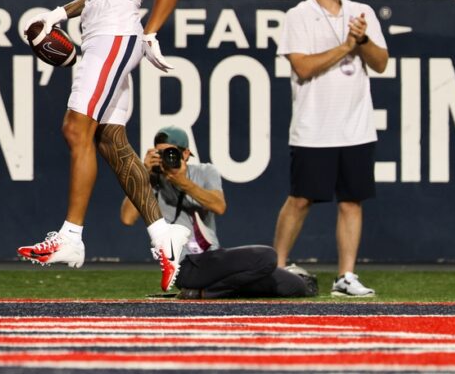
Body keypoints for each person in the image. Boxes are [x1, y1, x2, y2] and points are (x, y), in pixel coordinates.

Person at [17, 0, 192, 293]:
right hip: (98, 24)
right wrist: (63, 12)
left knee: (77, 129)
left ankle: (72, 237)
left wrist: (152, 30)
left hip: (117, 30)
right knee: (112, 141)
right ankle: (164, 237)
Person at [273, 0, 389, 297]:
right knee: (300, 199)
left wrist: (363, 40)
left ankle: (346, 276)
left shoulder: (362, 11)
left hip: (356, 126)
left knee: (352, 201)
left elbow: (381, 63)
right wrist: (346, 46)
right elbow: (303, 67)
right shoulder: (299, 15)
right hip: (314, 126)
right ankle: (276, 267)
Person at [120, 126, 318, 299]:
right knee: (266, 256)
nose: (166, 158)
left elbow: (218, 206)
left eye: (171, 153)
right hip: (185, 265)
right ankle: (210, 292)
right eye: (160, 153)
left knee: (294, 285)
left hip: (214, 261)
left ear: (186, 153)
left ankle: (209, 290)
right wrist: (143, 173)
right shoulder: (150, 181)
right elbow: (127, 218)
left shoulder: (205, 172)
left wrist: (182, 182)